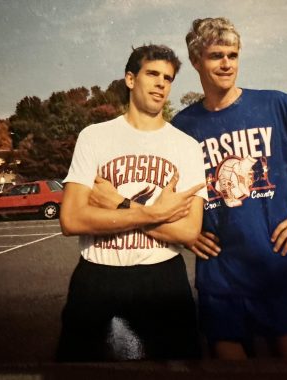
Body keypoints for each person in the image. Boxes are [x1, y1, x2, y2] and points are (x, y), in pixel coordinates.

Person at [171, 17, 287, 360]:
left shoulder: (274, 105)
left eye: (233, 54)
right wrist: (184, 233)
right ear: (195, 60)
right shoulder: (182, 126)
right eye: (216, 55)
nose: (227, 63)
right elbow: (166, 193)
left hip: (278, 271)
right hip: (220, 280)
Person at [57, 44, 207, 362]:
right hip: (98, 276)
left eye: (168, 78)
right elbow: (71, 220)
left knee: (178, 368)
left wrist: (118, 204)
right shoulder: (94, 137)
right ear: (130, 78)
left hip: (162, 277)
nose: (161, 84)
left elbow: (189, 232)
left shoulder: (186, 147)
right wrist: (156, 213)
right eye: (152, 73)